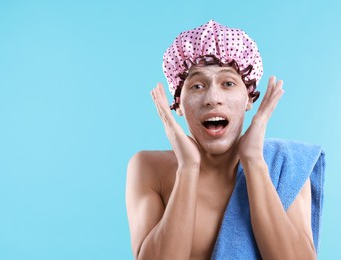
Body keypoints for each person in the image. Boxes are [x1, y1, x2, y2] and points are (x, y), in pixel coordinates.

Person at [126, 20, 325, 260]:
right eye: (197, 85)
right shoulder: (148, 167)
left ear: (249, 98)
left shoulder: (286, 166)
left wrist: (254, 163)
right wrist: (188, 168)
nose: (212, 98)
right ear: (178, 103)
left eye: (228, 83)